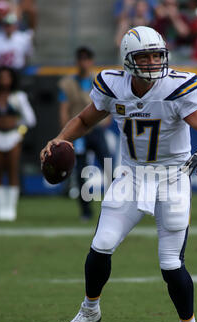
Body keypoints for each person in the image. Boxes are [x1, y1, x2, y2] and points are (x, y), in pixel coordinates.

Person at [40, 26, 197, 322]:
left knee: (170, 263)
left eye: (158, 55)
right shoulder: (113, 85)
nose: (154, 62)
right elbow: (85, 120)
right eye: (145, 56)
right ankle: (89, 310)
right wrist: (60, 139)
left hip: (172, 176)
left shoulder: (177, 86)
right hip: (131, 174)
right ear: (129, 60)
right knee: (102, 244)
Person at [58, 46, 113, 220]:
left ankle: (118, 204)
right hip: (79, 131)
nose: (83, 63)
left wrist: (106, 121)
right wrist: (66, 134)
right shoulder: (67, 83)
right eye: (80, 59)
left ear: (91, 61)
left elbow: (108, 103)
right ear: (77, 62)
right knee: (81, 172)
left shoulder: (99, 80)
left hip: (96, 129)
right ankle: (86, 211)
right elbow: (64, 109)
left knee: (109, 167)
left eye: (86, 59)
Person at [0, 66, 36, 221]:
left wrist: (18, 130)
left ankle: (11, 208)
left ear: (12, 79)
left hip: (13, 137)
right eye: (1, 77)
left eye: (7, 77)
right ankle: (1, 208)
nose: (4, 80)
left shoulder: (18, 97)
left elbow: (31, 119)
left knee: (13, 170)